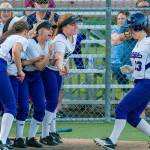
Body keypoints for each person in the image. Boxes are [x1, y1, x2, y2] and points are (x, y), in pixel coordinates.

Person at [94, 13, 150, 150]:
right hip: (140, 82)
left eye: (132, 28)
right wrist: (131, 69)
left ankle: (111, 141)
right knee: (132, 115)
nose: (130, 31)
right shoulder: (139, 42)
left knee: (121, 109)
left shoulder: (148, 42)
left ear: (140, 27)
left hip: (147, 83)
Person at [40, 14, 80, 145]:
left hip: (57, 72)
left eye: (76, 24)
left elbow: (65, 58)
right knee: (51, 102)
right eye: (72, 24)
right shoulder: (60, 39)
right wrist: (62, 66)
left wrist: (64, 66)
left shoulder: (73, 36)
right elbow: (59, 57)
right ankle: (44, 135)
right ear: (64, 27)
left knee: (54, 102)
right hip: (49, 71)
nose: (76, 26)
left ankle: (52, 131)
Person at [23, 20, 55, 147]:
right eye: (48, 29)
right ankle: (14, 137)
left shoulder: (49, 42)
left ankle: (31, 137)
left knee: (41, 108)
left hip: (35, 77)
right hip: (24, 75)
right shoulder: (31, 43)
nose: (51, 31)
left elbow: (48, 63)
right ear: (39, 32)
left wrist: (56, 61)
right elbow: (40, 66)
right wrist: (48, 55)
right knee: (22, 107)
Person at [0, 20, 29, 150]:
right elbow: (16, 51)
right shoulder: (22, 38)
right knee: (10, 106)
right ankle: (2, 142)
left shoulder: (9, 36)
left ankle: (2, 141)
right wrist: (20, 71)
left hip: (2, 65)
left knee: (7, 105)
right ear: (25, 32)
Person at [111, 11, 131, 90]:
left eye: (122, 18)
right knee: (118, 68)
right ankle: (126, 91)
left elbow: (119, 38)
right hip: (116, 61)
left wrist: (121, 37)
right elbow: (115, 40)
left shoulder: (133, 29)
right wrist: (128, 34)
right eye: (118, 19)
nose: (120, 20)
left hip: (130, 61)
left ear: (127, 20)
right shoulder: (115, 29)